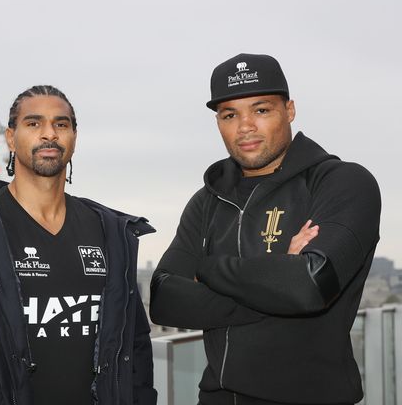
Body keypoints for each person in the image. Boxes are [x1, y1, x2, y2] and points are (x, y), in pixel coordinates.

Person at [149, 53, 381, 405]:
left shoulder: (342, 182)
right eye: (230, 114)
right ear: (218, 122)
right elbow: (165, 300)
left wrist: (206, 267)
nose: (245, 127)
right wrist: (278, 277)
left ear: (289, 110)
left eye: (261, 110)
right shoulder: (208, 199)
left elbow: (309, 286)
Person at [0, 85, 158, 405]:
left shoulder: (109, 231)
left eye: (61, 124)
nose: (49, 134)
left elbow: (133, 343)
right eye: (34, 123)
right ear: (11, 138)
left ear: (74, 139)